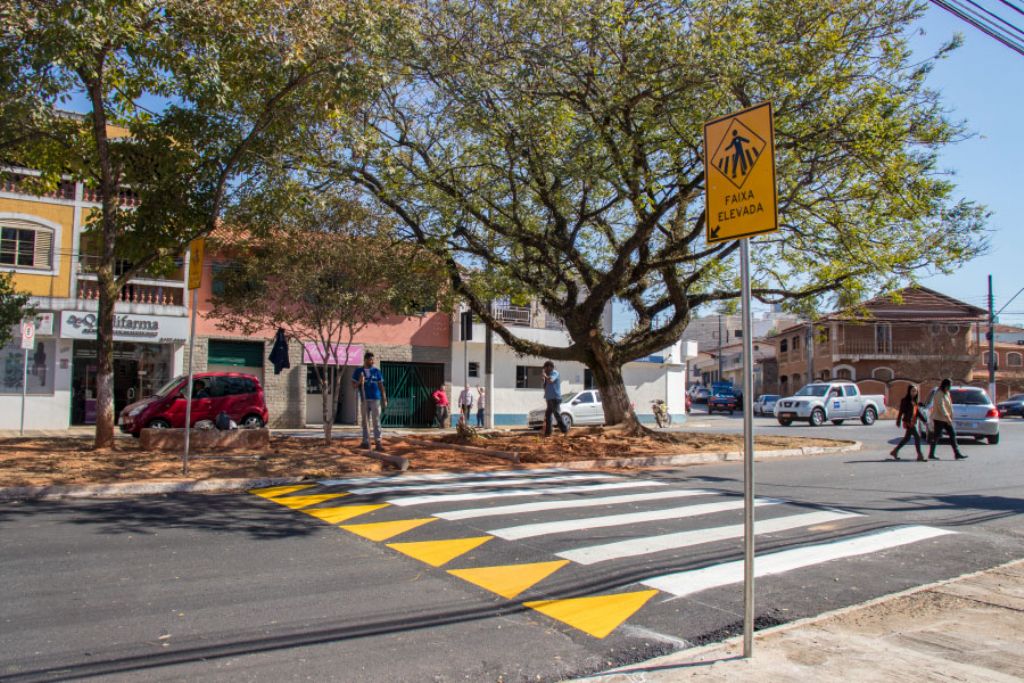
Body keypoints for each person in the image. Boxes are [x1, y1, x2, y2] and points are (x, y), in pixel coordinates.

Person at [352, 351, 387, 450]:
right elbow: (353, 386)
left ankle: (378, 442)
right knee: (365, 421)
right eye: (370, 359)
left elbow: (381, 386)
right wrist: (360, 381)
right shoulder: (358, 371)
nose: (372, 361)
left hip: (375, 399)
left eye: (373, 359)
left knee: (376, 421)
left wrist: (384, 398)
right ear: (365, 360)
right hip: (364, 399)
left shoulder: (376, 371)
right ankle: (365, 442)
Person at [927, 378, 967, 460]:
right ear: (945, 385)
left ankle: (957, 453)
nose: (950, 387)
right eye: (949, 386)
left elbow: (949, 405)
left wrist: (950, 415)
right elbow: (941, 406)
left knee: (952, 434)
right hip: (939, 418)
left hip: (946, 418)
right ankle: (931, 454)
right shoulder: (939, 393)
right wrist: (947, 416)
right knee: (937, 436)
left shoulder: (947, 393)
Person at [891, 385, 927, 461]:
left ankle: (895, 451)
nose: (914, 392)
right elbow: (901, 411)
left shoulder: (915, 401)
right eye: (913, 391)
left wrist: (924, 420)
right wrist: (898, 420)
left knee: (906, 438)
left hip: (913, 422)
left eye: (915, 391)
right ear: (909, 391)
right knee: (917, 437)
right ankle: (920, 455)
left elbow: (917, 413)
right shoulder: (905, 400)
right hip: (908, 422)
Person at [541, 360, 569, 437]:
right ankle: (548, 433)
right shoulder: (548, 375)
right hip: (549, 398)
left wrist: (545, 376)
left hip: (555, 397)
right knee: (548, 415)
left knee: (556, 413)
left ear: (550, 367)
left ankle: (565, 430)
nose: (545, 370)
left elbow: (550, 381)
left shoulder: (555, 373)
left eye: (546, 368)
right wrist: (544, 380)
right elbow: (545, 387)